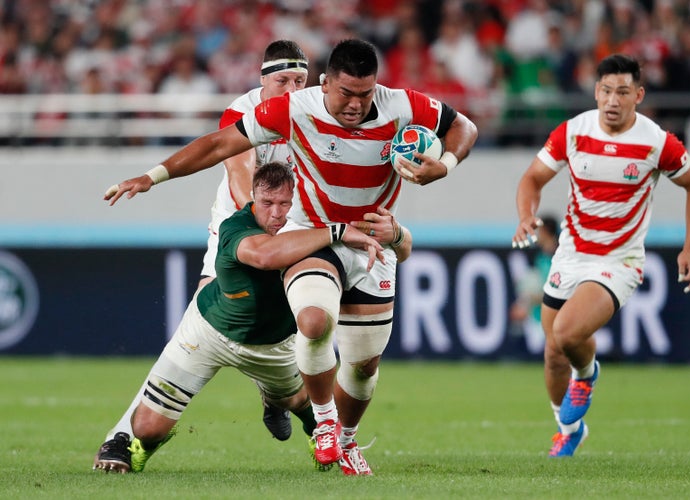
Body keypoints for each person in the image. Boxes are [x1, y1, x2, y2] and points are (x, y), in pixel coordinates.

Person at [104, 38, 479, 475]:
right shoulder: (282, 110)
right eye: (346, 94)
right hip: (286, 235)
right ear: (323, 85)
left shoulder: (401, 106)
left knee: (362, 366)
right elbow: (227, 159)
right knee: (308, 320)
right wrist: (154, 176)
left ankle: (334, 431)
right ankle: (315, 423)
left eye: (365, 94)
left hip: (360, 243)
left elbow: (463, 127)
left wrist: (445, 165)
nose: (357, 105)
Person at [93, 161, 409, 474]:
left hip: (275, 346)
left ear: (296, 202)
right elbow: (266, 255)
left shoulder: (313, 227)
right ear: (253, 200)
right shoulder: (236, 226)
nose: (275, 213)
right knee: (149, 428)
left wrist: (396, 234)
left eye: (285, 203)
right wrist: (338, 232)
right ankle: (129, 443)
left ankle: (287, 408)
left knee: (306, 399)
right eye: (267, 203)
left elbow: (402, 247)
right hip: (207, 334)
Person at [98, 40, 312, 450]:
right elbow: (238, 173)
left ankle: (282, 397)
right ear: (263, 79)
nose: (291, 90)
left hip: (297, 223)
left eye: (299, 81)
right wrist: (263, 228)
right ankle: (124, 436)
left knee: (304, 317)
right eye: (282, 80)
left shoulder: (314, 111)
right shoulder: (243, 112)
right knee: (201, 318)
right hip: (242, 226)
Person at [512, 53, 690, 458]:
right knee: (551, 352)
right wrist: (527, 215)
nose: (612, 100)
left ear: (638, 95)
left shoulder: (656, 142)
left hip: (619, 261)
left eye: (622, 91)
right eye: (605, 90)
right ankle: (567, 428)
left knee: (566, 333)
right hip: (570, 253)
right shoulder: (573, 131)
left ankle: (586, 373)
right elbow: (532, 177)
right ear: (596, 92)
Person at [509, 215, 559, 355]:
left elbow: (558, 292)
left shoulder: (560, 259)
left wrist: (529, 300)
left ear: (547, 232)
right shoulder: (540, 258)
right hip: (538, 318)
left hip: (557, 318)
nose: (537, 235)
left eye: (540, 231)